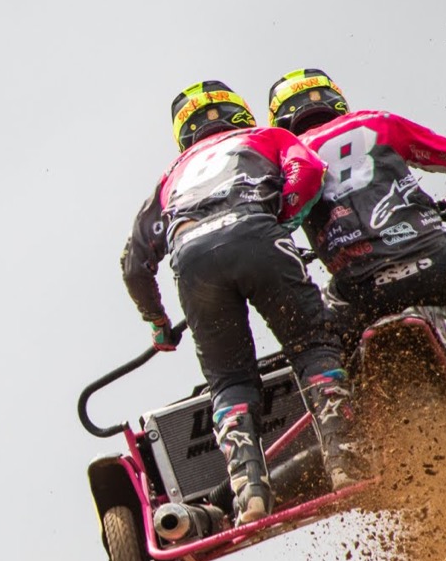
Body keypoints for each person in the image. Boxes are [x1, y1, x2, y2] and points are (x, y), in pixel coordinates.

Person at [120, 80, 366, 525]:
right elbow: (309, 172)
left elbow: (135, 264)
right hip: (257, 232)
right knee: (313, 346)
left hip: (192, 258)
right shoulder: (267, 137)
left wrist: (157, 322)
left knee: (230, 381)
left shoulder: (172, 176)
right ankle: (345, 461)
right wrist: (278, 222)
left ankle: (249, 494)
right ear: (240, 113)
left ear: (185, 133)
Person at [266, 68, 446, 391]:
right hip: (436, 261)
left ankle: (339, 412)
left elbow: (259, 227)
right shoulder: (378, 122)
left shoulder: (285, 162)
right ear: (336, 100)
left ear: (280, 121)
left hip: (359, 289)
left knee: (322, 350)